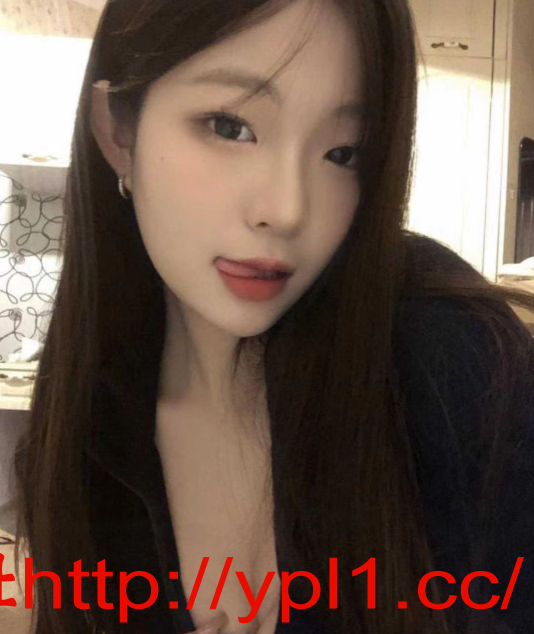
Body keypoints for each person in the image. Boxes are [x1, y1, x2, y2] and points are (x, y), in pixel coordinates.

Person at [10, 0, 534, 633]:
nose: (287, 210)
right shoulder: (80, 430)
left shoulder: (453, 357)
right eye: (229, 126)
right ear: (119, 132)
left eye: (344, 153)